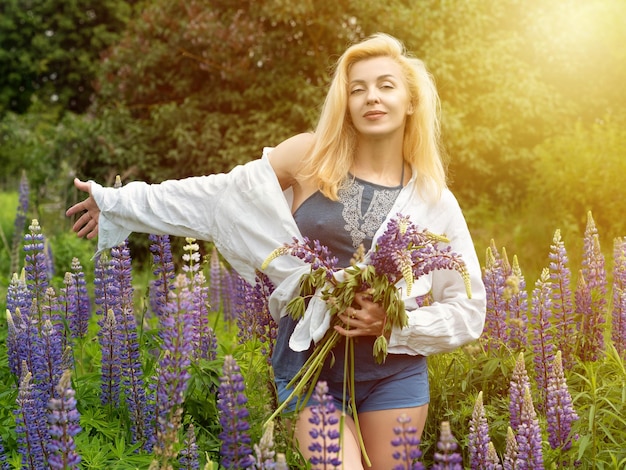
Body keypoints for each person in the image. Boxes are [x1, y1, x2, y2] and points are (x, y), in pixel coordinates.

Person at [67, 33, 486, 469]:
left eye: (385, 85)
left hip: (394, 374)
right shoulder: (310, 156)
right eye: (357, 89)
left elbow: (468, 308)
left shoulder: (434, 200)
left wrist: (391, 325)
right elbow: (218, 197)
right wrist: (118, 203)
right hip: (309, 369)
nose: (370, 98)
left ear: (411, 101)